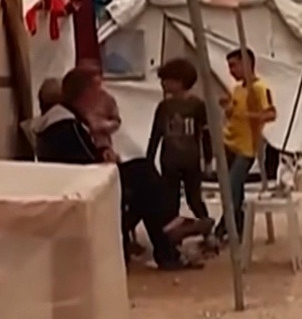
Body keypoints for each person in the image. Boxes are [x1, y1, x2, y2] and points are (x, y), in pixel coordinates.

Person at [43, 67, 194, 270]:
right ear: (86, 93)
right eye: (96, 90)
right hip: (84, 182)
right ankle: (167, 238)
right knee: (144, 178)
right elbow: (84, 160)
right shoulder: (66, 123)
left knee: (144, 177)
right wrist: (106, 159)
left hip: (82, 178)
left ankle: (167, 237)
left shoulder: (67, 117)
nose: (100, 95)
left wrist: (104, 151)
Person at [147, 58, 213, 238]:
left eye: (166, 80)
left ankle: (207, 231)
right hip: (169, 161)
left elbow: (205, 134)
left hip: (191, 160)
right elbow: (156, 134)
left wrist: (208, 160)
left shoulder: (197, 106)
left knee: (194, 198)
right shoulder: (164, 107)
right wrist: (149, 160)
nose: (163, 84)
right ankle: (173, 238)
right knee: (170, 201)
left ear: (180, 81)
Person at [220, 47, 276, 245]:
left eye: (234, 66)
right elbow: (232, 112)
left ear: (247, 64)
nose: (231, 71)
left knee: (232, 187)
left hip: (247, 147)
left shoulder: (260, 88)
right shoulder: (237, 89)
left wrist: (251, 116)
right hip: (229, 143)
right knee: (233, 189)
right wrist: (228, 108)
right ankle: (237, 228)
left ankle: (224, 227)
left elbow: (271, 113)